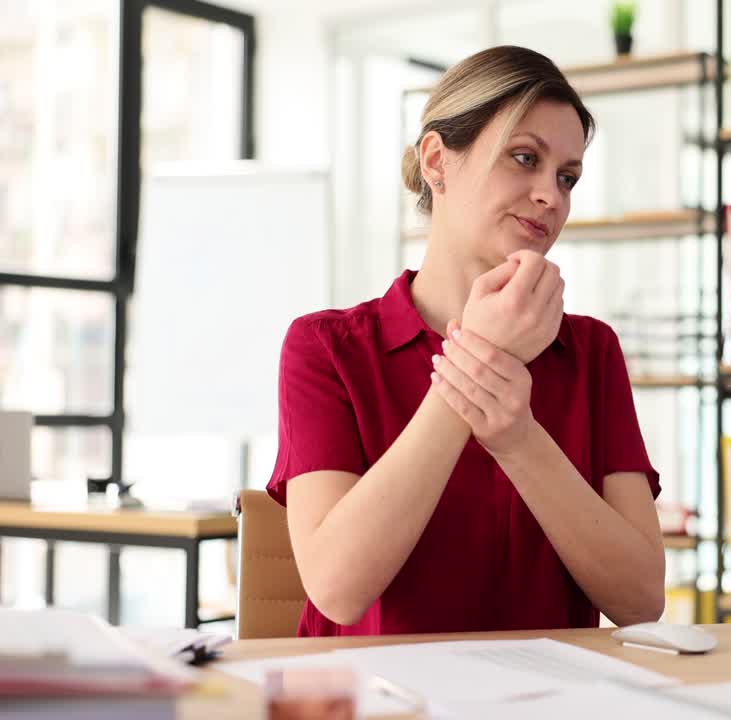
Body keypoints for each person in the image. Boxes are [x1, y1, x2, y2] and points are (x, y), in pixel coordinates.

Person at [266, 45, 666, 637]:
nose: (551, 197)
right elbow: (338, 590)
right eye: (524, 158)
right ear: (436, 160)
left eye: (567, 177)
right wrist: (478, 360)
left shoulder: (591, 353)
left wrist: (520, 440)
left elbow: (640, 601)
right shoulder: (326, 348)